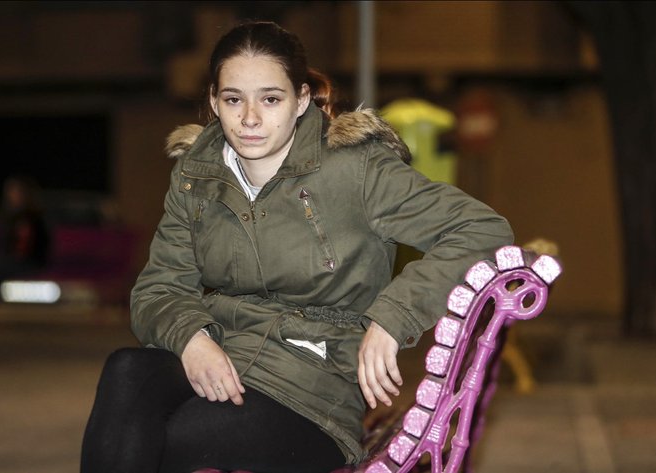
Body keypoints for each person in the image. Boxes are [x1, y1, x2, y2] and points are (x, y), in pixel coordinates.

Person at [81, 21, 513, 473]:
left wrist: (392, 317)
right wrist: (191, 338)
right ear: (214, 101)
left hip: (313, 386)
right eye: (233, 99)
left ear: (301, 99)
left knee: (171, 436)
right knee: (127, 370)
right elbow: (159, 288)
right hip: (225, 354)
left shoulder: (354, 168)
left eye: (270, 99)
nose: (250, 118)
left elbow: (480, 228)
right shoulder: (197, 176)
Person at [0, 176, 50, 326]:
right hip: (2, 259)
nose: (13, 195)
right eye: (11, 192)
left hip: (26, 261)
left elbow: (38, 246)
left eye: (17, 192)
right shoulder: (2, 216)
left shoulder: (33, 218)